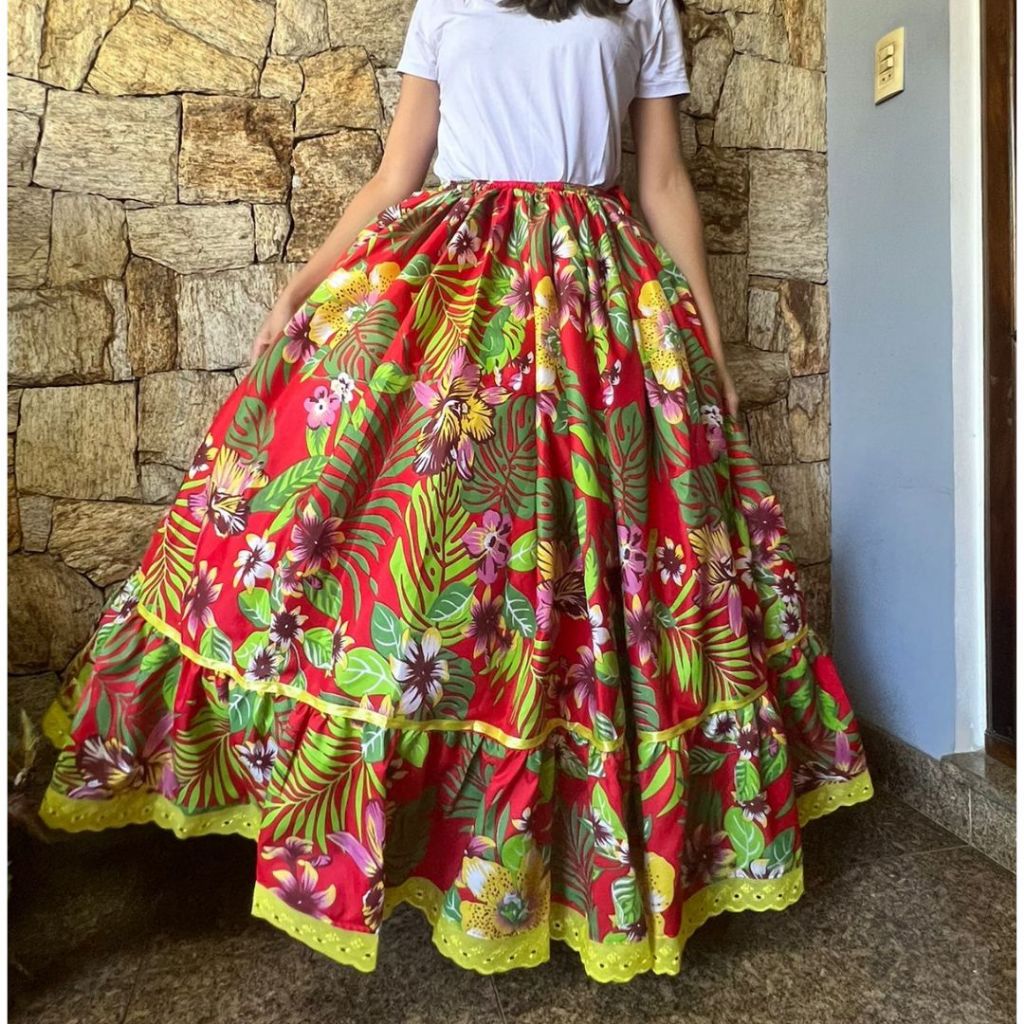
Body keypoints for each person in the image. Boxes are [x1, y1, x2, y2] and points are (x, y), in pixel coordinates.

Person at [38, 0, 874, 983]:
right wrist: (303, 283)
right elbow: (398, 171)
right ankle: (435, 839)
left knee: (588, 582)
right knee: (419, 570)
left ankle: (571, 857)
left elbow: (660, 178)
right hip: (458, 287)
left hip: (596, 302)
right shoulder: (443, 0)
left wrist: (707, 340)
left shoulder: (644, 2)